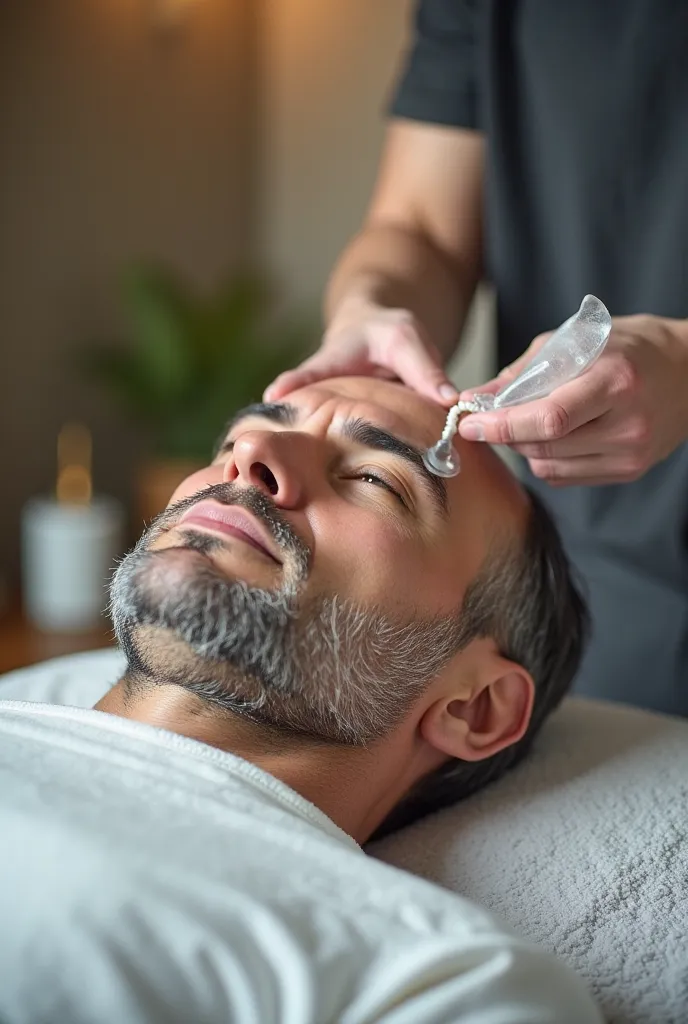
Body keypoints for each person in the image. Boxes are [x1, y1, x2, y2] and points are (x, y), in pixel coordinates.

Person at [0, 377, 601, 1023]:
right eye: (237, 435)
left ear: (473, 707)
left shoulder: (431, 978)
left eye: (376, 479)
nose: (250, 451)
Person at [266, 0, 688, 717]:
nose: (254, 453)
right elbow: (419, 226)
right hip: (604, 587)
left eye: (381, 477)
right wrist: (373, 301)